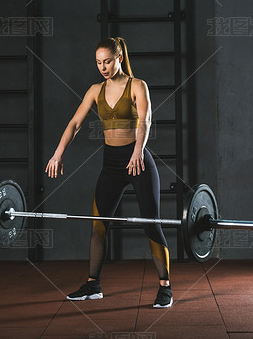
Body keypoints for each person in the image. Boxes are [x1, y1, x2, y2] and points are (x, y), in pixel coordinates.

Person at [45, 37, 173, 308]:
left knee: (152, 223)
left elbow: (146, 120)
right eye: (98, 62)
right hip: (112, 164)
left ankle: (165, 287)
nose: (102, 67)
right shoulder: (95, 90)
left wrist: (139, 149)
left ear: (119, 58)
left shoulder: (138, 86)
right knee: (98, 225)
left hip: (138, 161)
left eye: (107, 61)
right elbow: (75, 123)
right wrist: (58, 152)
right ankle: (93, 285)